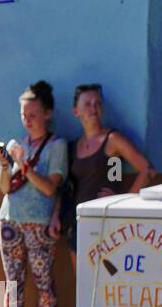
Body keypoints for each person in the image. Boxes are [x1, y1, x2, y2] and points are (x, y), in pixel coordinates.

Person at [0, 80, 67, 307]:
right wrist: (5, 165)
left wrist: (23, 164)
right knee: (13, 281)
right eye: (24, 115)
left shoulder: (57, 145)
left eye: (33, 114)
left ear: (47, 114)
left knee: (43, 281)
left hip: (39, 222)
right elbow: (5, 187)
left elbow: (51, 187)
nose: (27, 120)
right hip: (9, 219)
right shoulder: (19, 144)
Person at [51, 83, 155, 270]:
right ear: (76, 112)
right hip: (79, 224)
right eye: (88, 104)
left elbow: (146, 170)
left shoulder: (112, 140)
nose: (94, 108)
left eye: (97, 103)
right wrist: (56, 215)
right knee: (82, 286)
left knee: (107, 284)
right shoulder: (73, 146)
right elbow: (66, 186)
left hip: (106, 223)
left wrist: (122, 202)